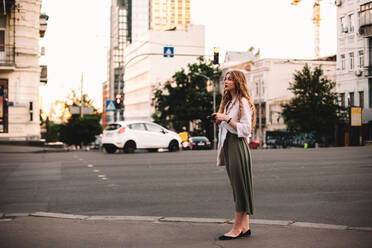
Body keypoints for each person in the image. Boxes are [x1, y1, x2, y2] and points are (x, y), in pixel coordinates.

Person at [211, 70, 256, 240]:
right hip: (229, 145)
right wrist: (220, 119)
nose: (226, 81)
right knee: (239, 187)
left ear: (238, 82)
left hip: (237, 145)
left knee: (239, 187)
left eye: (230, 79)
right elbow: (229, 125)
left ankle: (237, 229)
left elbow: (246, 129)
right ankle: (245, 226)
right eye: (226, 79)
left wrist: (226, 119)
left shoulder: (243, 101)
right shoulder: (230, 102)